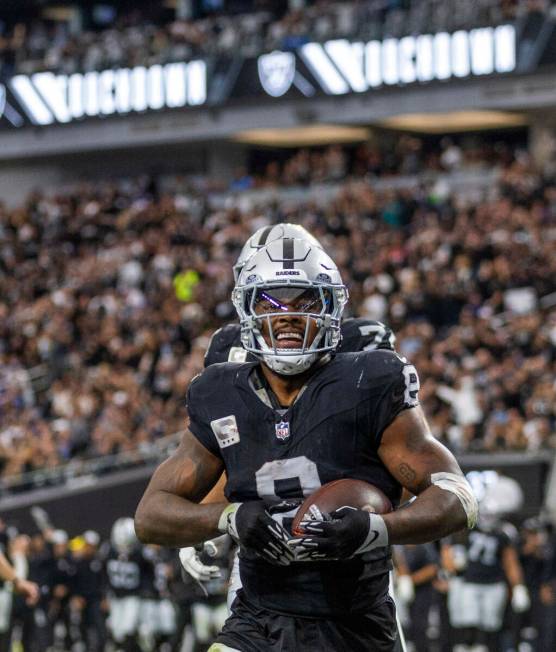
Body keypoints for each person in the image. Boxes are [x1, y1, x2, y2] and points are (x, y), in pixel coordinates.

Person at [135, 237, 478, 651]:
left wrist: (378, 529)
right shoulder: (220, 390)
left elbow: (458, 498)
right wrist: (225, 519)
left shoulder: (367, 380)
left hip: (354, 621)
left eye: (306, 302)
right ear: (246, 309)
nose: (288, 317)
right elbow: (150, 515)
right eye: (270, 303)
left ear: (332, 308)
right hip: (259, 617)